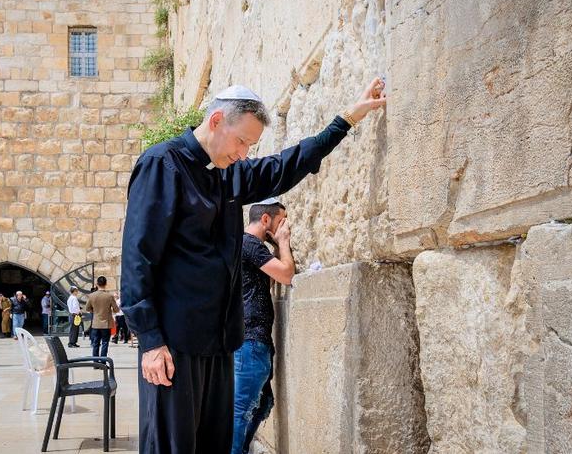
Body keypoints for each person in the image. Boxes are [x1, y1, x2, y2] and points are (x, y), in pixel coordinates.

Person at [121, 79, 386, 453]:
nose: (244, 153)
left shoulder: (228, 174)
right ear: (216, 121)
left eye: (250, 146)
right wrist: (150, 341)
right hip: (174, 345)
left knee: (212, 444)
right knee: (172, 446)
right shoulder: (162, 165)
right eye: (241, 141)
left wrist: (346, 120)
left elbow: (286, 165)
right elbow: (138, 258)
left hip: (219, 343)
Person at [232, 199, 295, 454]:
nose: (285, 227)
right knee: (241, 412)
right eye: (281, 221)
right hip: (251, 342)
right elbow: (286, 274)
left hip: (253, 341)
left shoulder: (247, 246)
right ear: (266, 220)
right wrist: (283, 242)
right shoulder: (251, 244)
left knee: (262, 404)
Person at [85, 276, 119, 358]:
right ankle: (103, 362)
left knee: (95, 343)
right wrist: (110, 311)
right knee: (105, 343)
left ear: (97, 284)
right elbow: (116, 309)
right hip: (106, 323)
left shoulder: (92, 296)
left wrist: (95, 311)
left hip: (96, 323)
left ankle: (95, 363)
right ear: (106, 284)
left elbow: (87, 308)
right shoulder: (109, 296)